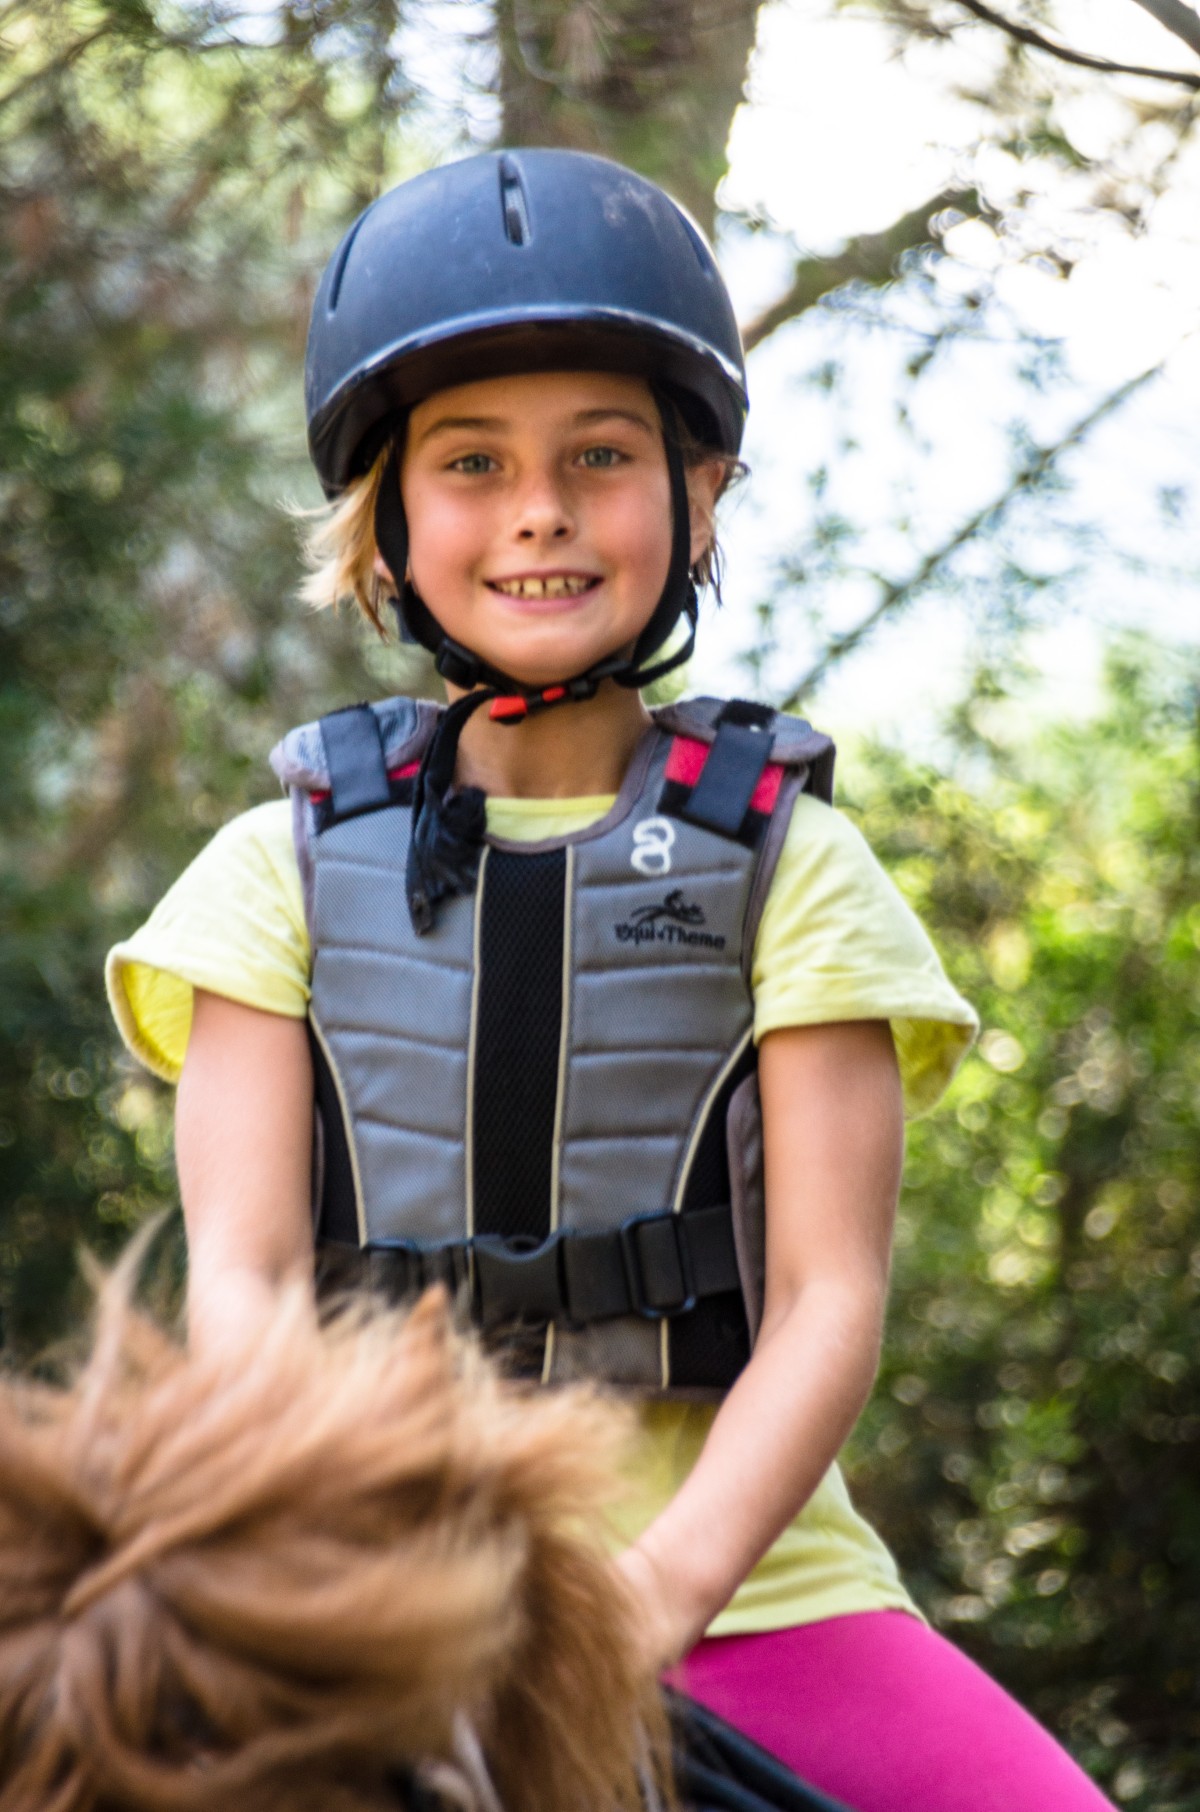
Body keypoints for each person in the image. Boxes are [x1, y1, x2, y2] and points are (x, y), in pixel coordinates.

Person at [106, 149, 1115, 1812]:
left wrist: (641, 1611)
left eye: (602, 455)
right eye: (472, 463)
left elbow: (829, 1305)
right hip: (379, 1602)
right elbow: (245, 1299)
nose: (540, 510)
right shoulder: (264, 875)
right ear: (388, 519)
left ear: (696, 495)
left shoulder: (795, 866)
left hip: (754, 1601)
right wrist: (362, 1603)